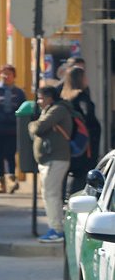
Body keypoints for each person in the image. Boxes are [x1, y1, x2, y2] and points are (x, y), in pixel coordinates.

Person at [28, 86, 72, 244]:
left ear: (50, 98)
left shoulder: (57, 110)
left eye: (41, 98)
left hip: (55, 159)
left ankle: (57, 229)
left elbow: (38, 127)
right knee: (49, 194)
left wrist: (32, 125)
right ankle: (56, 227)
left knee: (51, 194)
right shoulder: (49, 110)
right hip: (49, 160)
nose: (39, 102)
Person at [62, 66, 101, 197]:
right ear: (80, 79)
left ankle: (69, 197)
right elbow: (87, 115)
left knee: (74, 172)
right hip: (87, 144)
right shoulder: (81, 96)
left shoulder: (65, 97)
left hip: (74, 141)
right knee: (83, 174)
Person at [0, 64, 26, 194]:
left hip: (12, 129)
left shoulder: (19, 92)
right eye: (3, 73)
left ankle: (11, 180)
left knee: (10, 154)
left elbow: (23, 109)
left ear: (14, 76)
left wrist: (12, 117)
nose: (5, 76)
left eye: (8, 73)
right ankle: (1, 183)